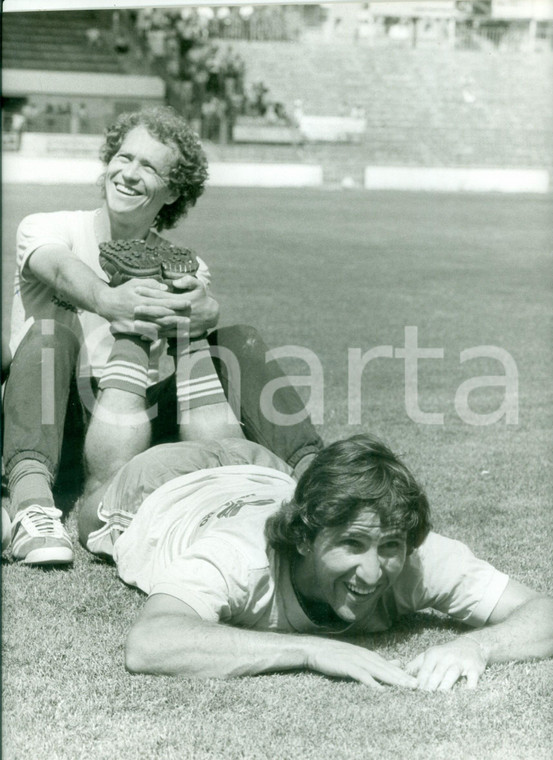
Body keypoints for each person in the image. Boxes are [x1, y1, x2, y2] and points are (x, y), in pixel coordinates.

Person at [3, 107, 323, 565]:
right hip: (55, 412)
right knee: (51, 334)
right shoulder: (48, 226)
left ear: (173, 191)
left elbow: (202, 319)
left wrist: (204, 310)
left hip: (137, 420)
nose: (128, 174)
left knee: (238, 339)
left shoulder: (183, 263)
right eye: (124, 157)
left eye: (149, 167)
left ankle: (321, 482)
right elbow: (59, 267)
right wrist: (107, 298)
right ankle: (32, 505)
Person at [78, 433, 553, 691]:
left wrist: (478, 648)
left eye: (389, 547)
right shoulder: (239, 559)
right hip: (163, 488)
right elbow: (151, 643)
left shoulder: (415, 557)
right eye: (352, 544)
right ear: (304, 536)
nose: (373, 572)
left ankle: (201, 344)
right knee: (88, 497)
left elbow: (544, 612)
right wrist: (311, 649)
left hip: (263, 469)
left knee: (219, 427)